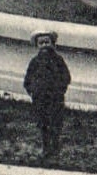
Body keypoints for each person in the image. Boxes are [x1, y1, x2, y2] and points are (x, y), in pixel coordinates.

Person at [23, 31, 71, 164]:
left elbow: (66, 77)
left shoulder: (58, 60)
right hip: (40, 100)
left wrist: (61, 89)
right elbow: (27, 80)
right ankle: (45, 148)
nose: (45, 46)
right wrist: (34, 92)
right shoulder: (35, 62)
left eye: (47, 42)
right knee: (43, 124)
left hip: (55, 99)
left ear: (53, 44)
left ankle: (55, 148)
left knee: (55, 123)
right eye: (41, 43)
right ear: (37, 46)